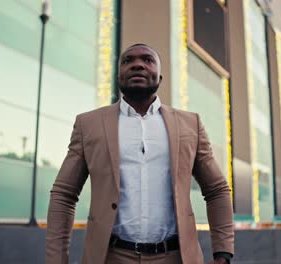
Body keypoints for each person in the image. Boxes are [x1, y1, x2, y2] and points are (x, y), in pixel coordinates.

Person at [46, 44, 234, 264]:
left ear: (160, 77)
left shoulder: (190, 124)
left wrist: (223, 253)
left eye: (147, 60)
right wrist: (57, 260)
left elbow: (217, 190)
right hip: (111, 257)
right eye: (128, 61)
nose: (137, 64)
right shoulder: (89, 124)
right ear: (118, 76)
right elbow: (64, 194)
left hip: (176, 257)